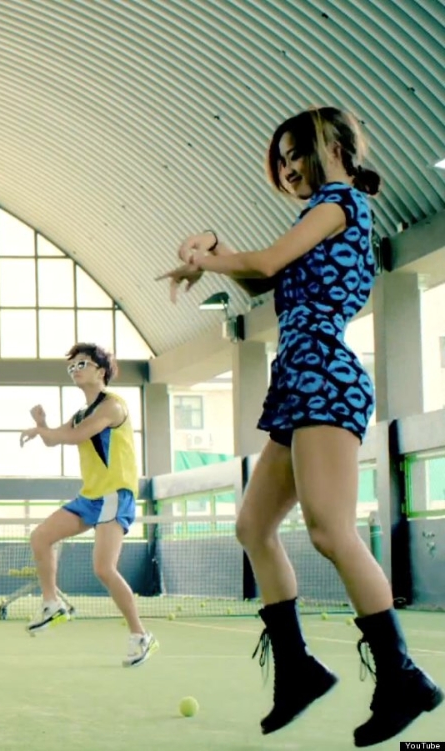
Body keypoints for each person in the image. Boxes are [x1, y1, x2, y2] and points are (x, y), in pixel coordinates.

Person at [157, 106, 441, 746]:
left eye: (297, 153)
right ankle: (298, 671)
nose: (287, 167)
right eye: (281, 159)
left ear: (335, 146)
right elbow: (258, 266)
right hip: (298, 378)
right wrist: (209, 245)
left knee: (330, 531)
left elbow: (265, 263)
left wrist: (210, 257)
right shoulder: (317, 214)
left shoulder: (340, 204)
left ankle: (402, 677)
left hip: (325, 377)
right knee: (252, 526)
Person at [18, 343, 157, 667]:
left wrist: (43, 429)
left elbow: (76, 436)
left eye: (82, 364)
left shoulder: (112, 406)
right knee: (40, 537)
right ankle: (52, 604)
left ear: (101, 370)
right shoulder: (82, 413)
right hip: (91, 496)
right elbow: (54, 438)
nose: (75, 370)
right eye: (72, 367)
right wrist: (43, 423)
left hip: (115, 494)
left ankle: (140, 635)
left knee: (103, 568)